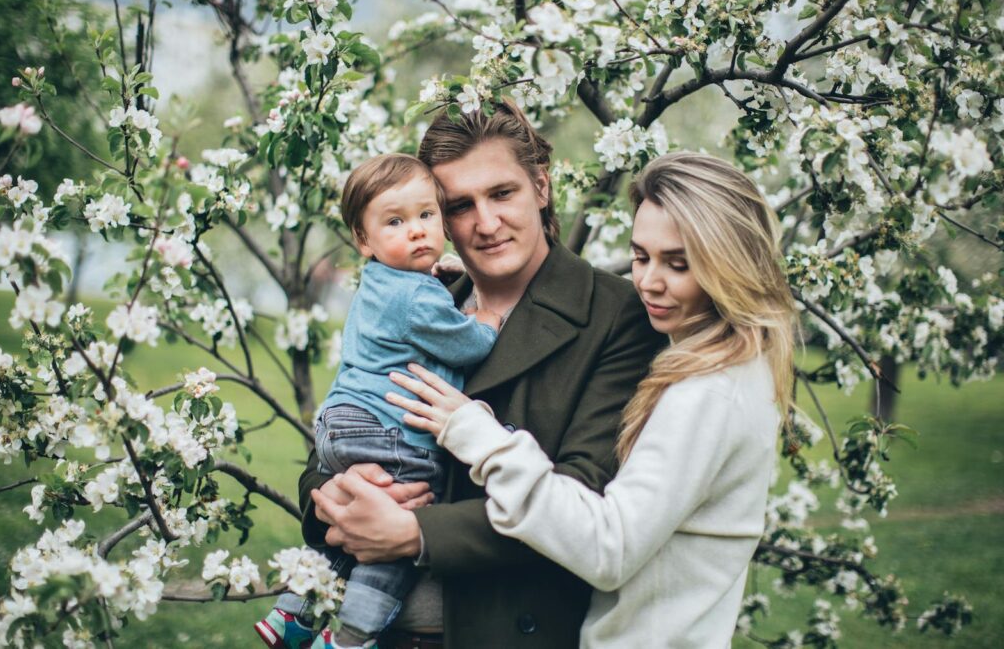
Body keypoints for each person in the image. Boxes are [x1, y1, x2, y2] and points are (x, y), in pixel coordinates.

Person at [378, 151, 798, 648]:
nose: (648, 282)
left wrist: (479, 435)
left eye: (678, 263)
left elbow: (608, 545)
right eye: (641, 256)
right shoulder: (707, 366)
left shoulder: (710, 393)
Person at [299, 102, 665, 648]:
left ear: (540, 186)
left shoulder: (616, 317)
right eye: (458, 206)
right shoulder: (425, 295)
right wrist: (329, 494)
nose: (486, 224)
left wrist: (415, 534)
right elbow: (349, 417)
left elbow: (586, 498)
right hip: (384, 635)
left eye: (501, 193)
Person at [256, 154, 501, 649]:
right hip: (389, 430)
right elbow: (468, 343)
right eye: (396, 222)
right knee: (395, 529)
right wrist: (488, 319)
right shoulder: (417, 297)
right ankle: (351, 637)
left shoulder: (380, 281)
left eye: (426, 216)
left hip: (341, 426)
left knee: (359, 521)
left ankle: (291, 613)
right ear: (363, 240)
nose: (416, 232)